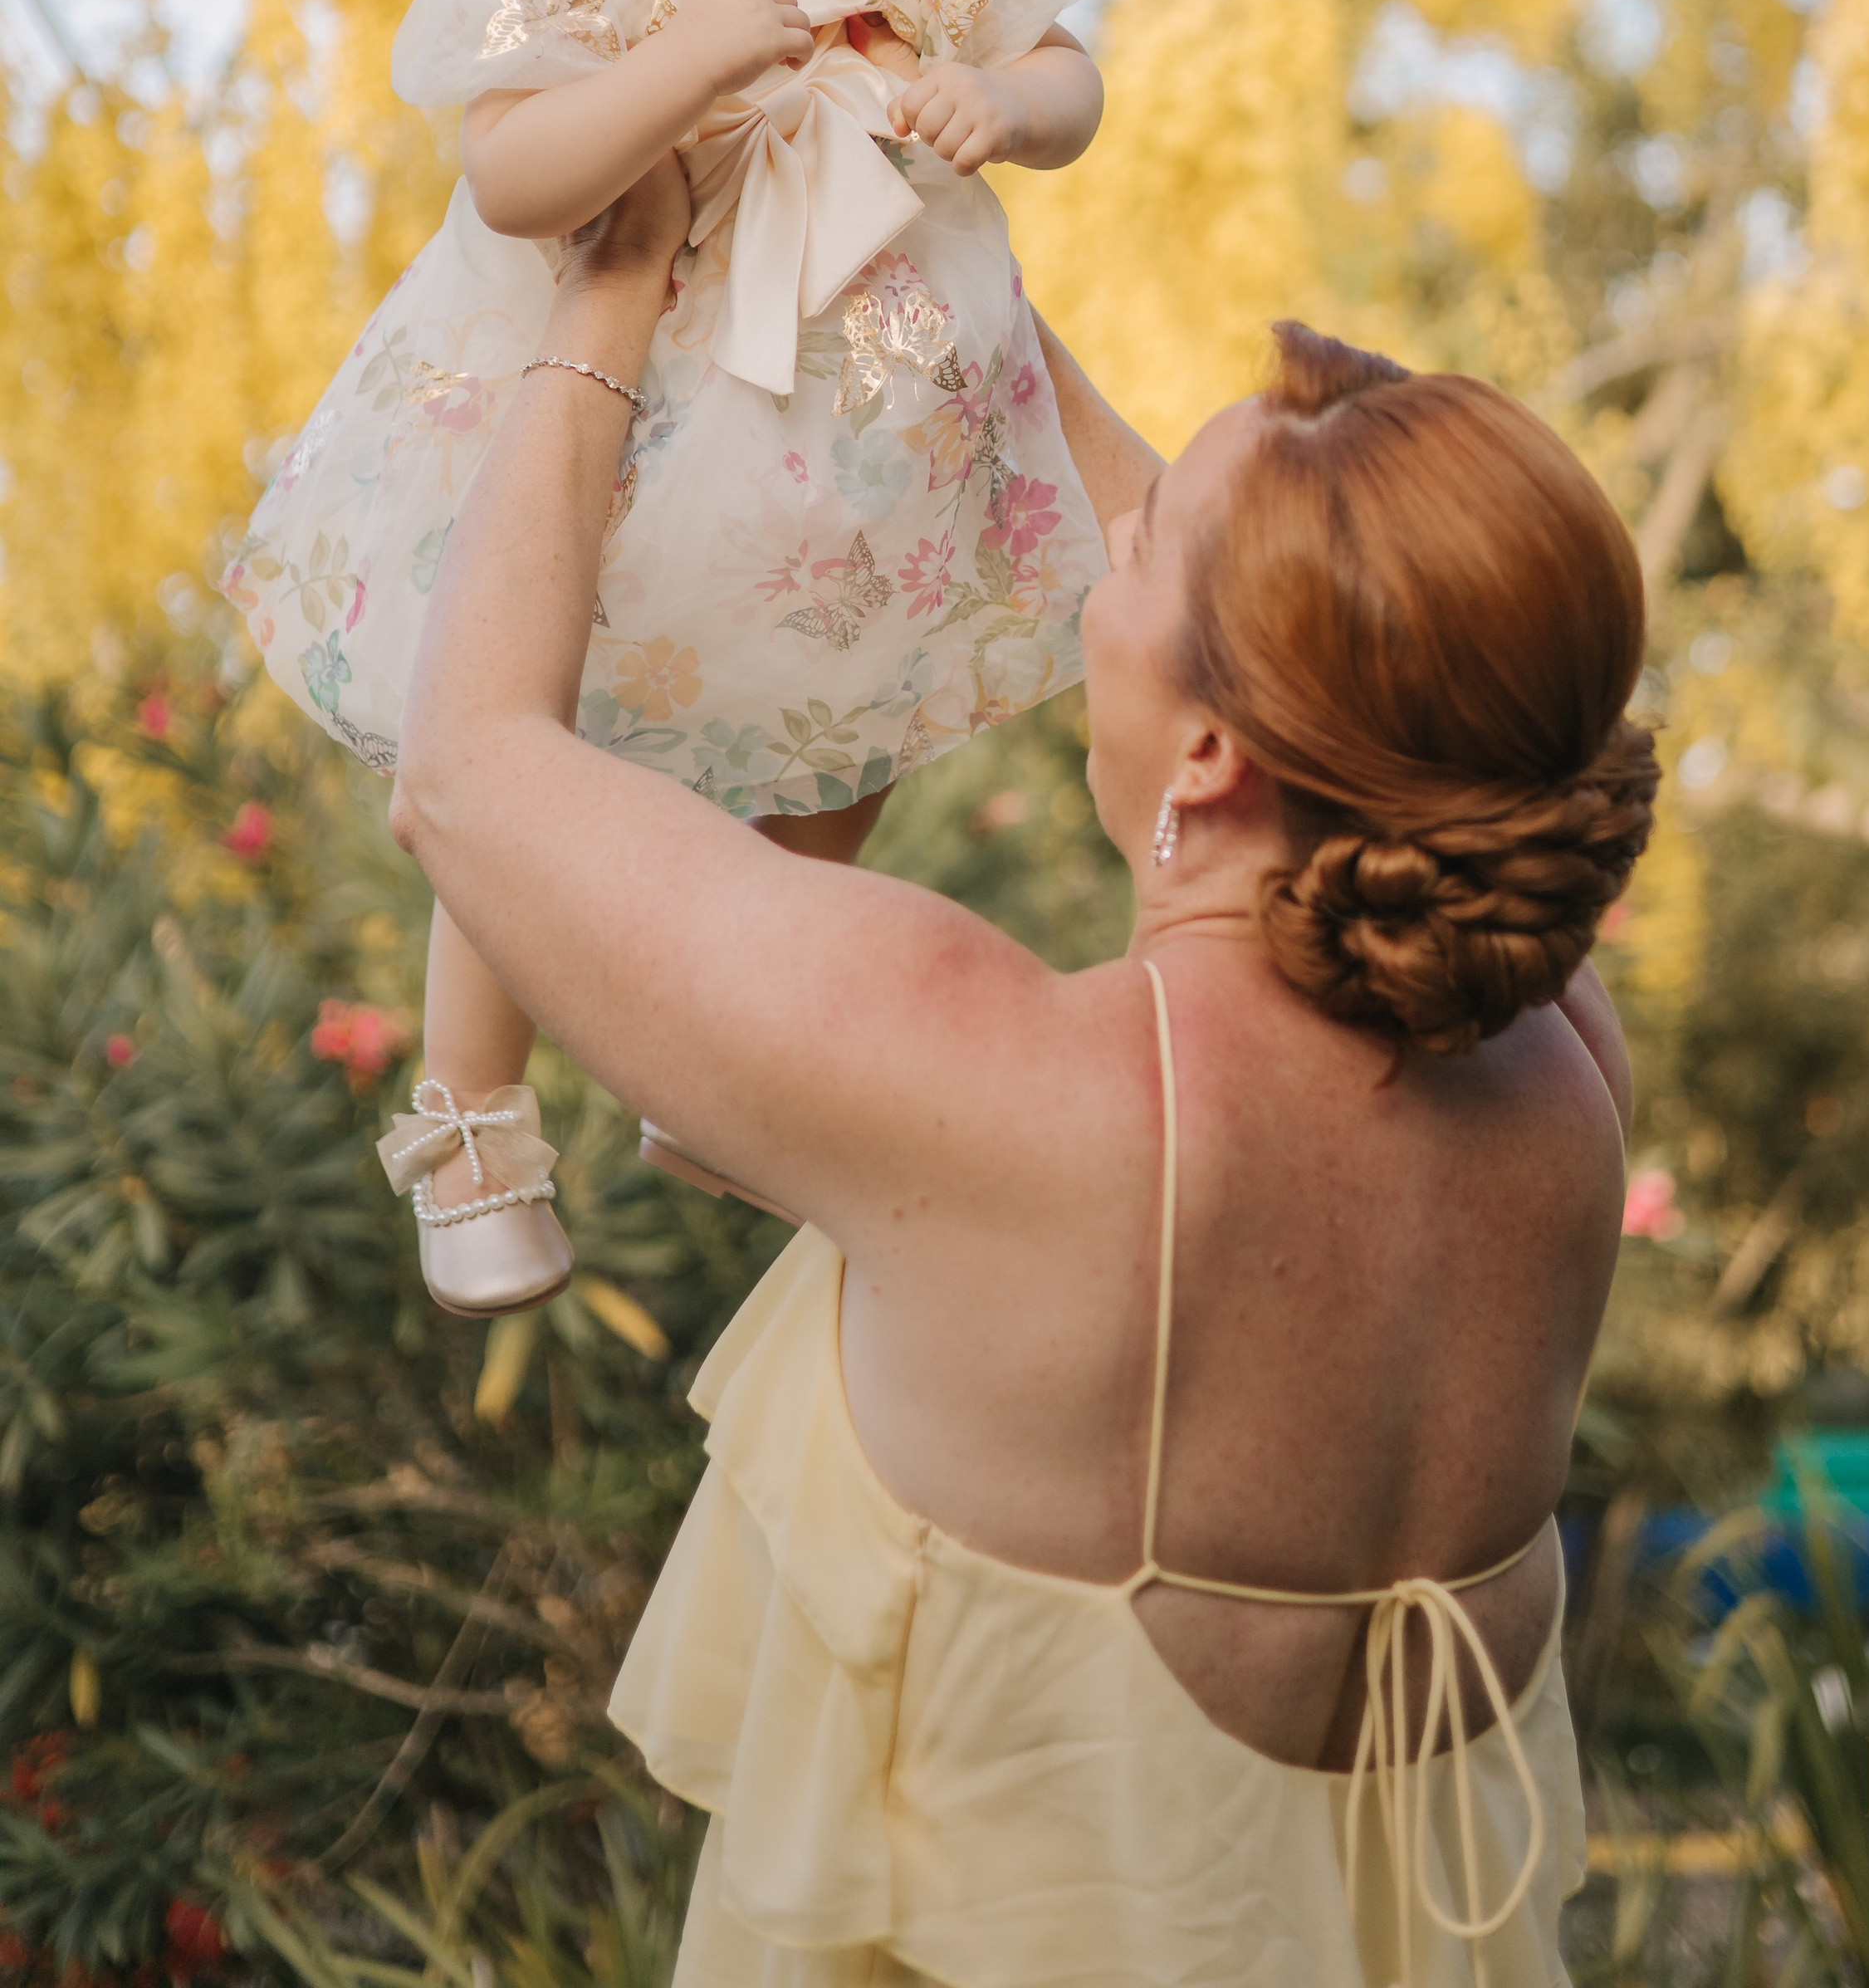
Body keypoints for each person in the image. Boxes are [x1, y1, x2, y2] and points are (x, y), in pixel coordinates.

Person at [385, 152, 1656, 1988]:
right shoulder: (1561, 1079)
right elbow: (1334, 635)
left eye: (1130, 557)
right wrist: (928, 249)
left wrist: (606, 295)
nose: (1097, 554)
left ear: (1211, 755)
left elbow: (469, 769)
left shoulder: (995, 1081)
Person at [223, 0, 1109, 1316]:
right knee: (522, 758)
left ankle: (727, 1072)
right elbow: (516, 179)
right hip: (595, 452)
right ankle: (470, 1116)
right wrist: (684, 57)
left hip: (850, 453)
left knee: (854, 736)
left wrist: (998, 104)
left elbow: (1074, 77)